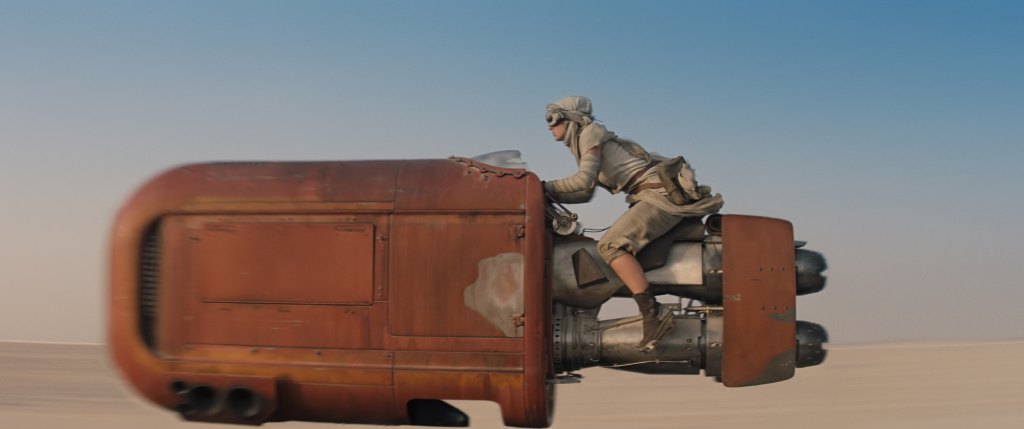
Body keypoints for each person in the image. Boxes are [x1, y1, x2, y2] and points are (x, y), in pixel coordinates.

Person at [543, 96, 724, 351]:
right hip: (648, 195)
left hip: (657, 197)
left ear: (570, 118)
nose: (549, 126)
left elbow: (582, 182)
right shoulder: (586, 140)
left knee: (610, 246)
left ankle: (653, 313)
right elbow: (585, 192)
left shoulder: (589, 134)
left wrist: (542, 186)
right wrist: (547, 195)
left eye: (552, 118)